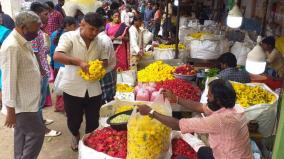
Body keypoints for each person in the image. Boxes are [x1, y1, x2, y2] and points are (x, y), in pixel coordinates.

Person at [138, 79, 253, 159]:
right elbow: (201, 107)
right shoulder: (234, 108)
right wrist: (176, 98)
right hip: (231, 154)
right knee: (203, 152)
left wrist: (151, 112)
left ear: (218, 100)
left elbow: (178, 124)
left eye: (210, 95)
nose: (207, 97)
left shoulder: (219, 120)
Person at [54, 12, 109, 151]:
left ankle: (89, 142)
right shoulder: (69, 37)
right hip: (73, 87)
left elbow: (105, 61)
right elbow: (57, 55)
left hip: (93, 87)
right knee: (74, 120)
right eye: (92, 29)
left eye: (98, 30)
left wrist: (99, 67)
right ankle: (75, 134)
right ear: (82, 24)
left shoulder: (100, 41)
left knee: (93, 120)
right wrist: (79, 62)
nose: (95, 33)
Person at [0, 11, 45, 159]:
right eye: (35, 29)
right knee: (37, 134)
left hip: (28, 101)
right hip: (24, 105)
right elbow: (8, 81)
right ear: (23, 27)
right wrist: (10, 110)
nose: (38, 32)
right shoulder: (12, 46)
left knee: (22, 136)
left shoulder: (21, 41)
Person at [30, 2, 61, 137]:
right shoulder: (33, 31)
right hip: (38, 72)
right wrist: (42, 71)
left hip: (42, 69)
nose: (48, 16)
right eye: (45, 14)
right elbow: (35, 52)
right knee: (38, 101)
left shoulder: (40, 29)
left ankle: (41, 120)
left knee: (41, 100)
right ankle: (41, 129)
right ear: (37, 14)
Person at [50, 16, 77, 112]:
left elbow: (52, 51)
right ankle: (68, 109)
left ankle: (59, 107)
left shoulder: (54, 34)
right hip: (67, 66)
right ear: (70, 25)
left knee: (59, 87)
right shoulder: (71, 35)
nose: (75, 28)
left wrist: (52, 64)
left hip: (57, 66)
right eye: (74, 26)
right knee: (69, 89)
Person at [99, 27, 117, 103]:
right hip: (109, 71)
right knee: (109, 97)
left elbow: (105, 62)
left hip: (106, 72)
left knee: (106, 98)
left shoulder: (102, 40)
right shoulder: (105, 38)